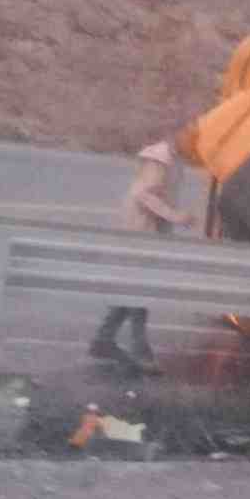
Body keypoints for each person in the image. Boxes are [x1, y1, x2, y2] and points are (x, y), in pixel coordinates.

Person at [89, 140, 193, 374]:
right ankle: (140, 351)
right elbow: (144, 194)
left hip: (145, 232)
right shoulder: (161, 158)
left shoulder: (171, 158)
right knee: (138, 290)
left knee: (134, 289)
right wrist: (175, 216)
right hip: (139, 232)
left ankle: (103, 340)